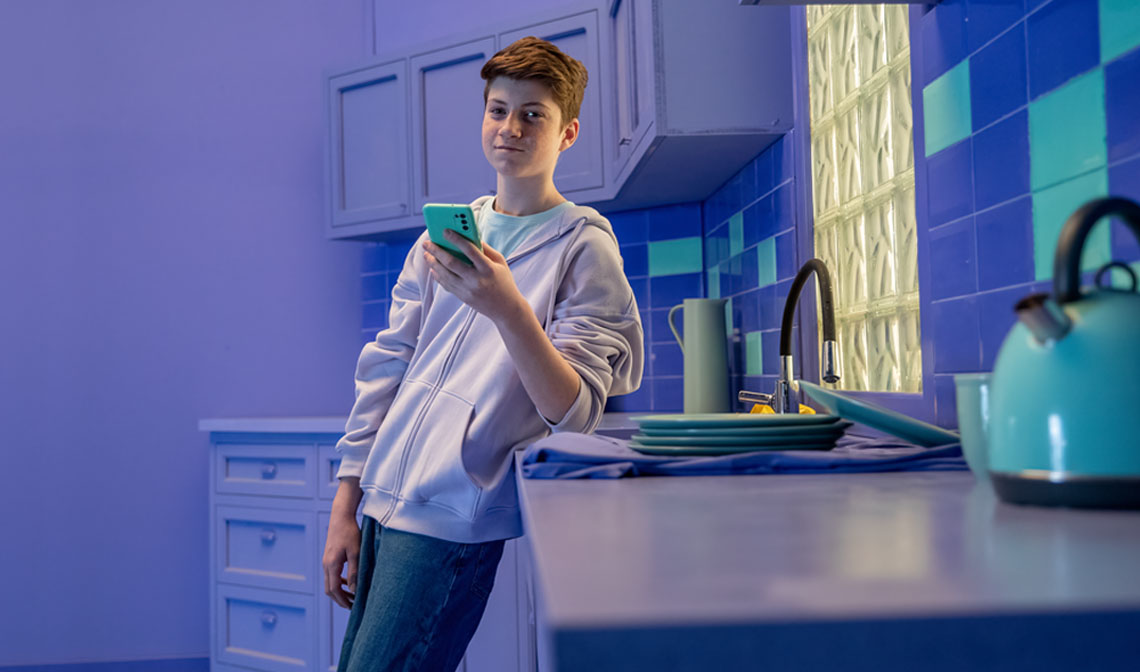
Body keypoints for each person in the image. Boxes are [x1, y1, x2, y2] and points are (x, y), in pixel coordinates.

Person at [324, 36, 644, 672]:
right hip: (386, 500)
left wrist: (507, 307)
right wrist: (345, 506)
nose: (511, 127)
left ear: (568, 132)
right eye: (498, 109)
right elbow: (387, 366)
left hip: (453, 516)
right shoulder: (439, 239)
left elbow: (574, 411)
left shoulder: (584, 249)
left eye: (533, 114)